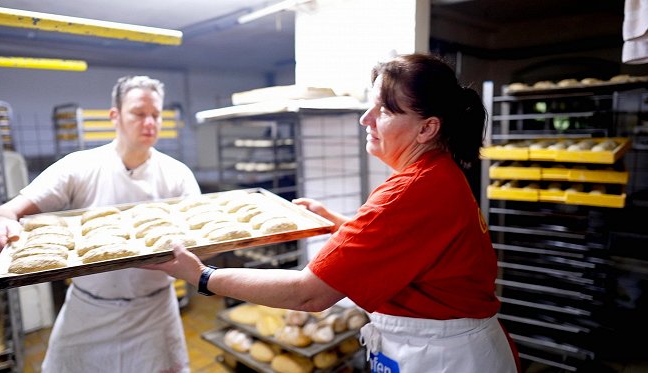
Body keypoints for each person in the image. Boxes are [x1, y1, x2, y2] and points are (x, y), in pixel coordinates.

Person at [146, 53, 520, 372]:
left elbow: (308, 295)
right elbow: (409, 245)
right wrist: (337, 226)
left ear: (427, 128)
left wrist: (203, 276)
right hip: (452, 345)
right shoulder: (438, 173)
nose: (366, 119)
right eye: (370, 105)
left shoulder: (410, 190)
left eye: (385, 110)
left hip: (443, 359)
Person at [0, 75, 200, 372]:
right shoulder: (79, 167)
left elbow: (202, 242)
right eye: (139, 113)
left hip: (155, 310)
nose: (149, 122)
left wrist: (200, 266)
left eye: (156, 115)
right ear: (115, 116)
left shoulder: (177, 174)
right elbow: (2, 213)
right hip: (89, 309)